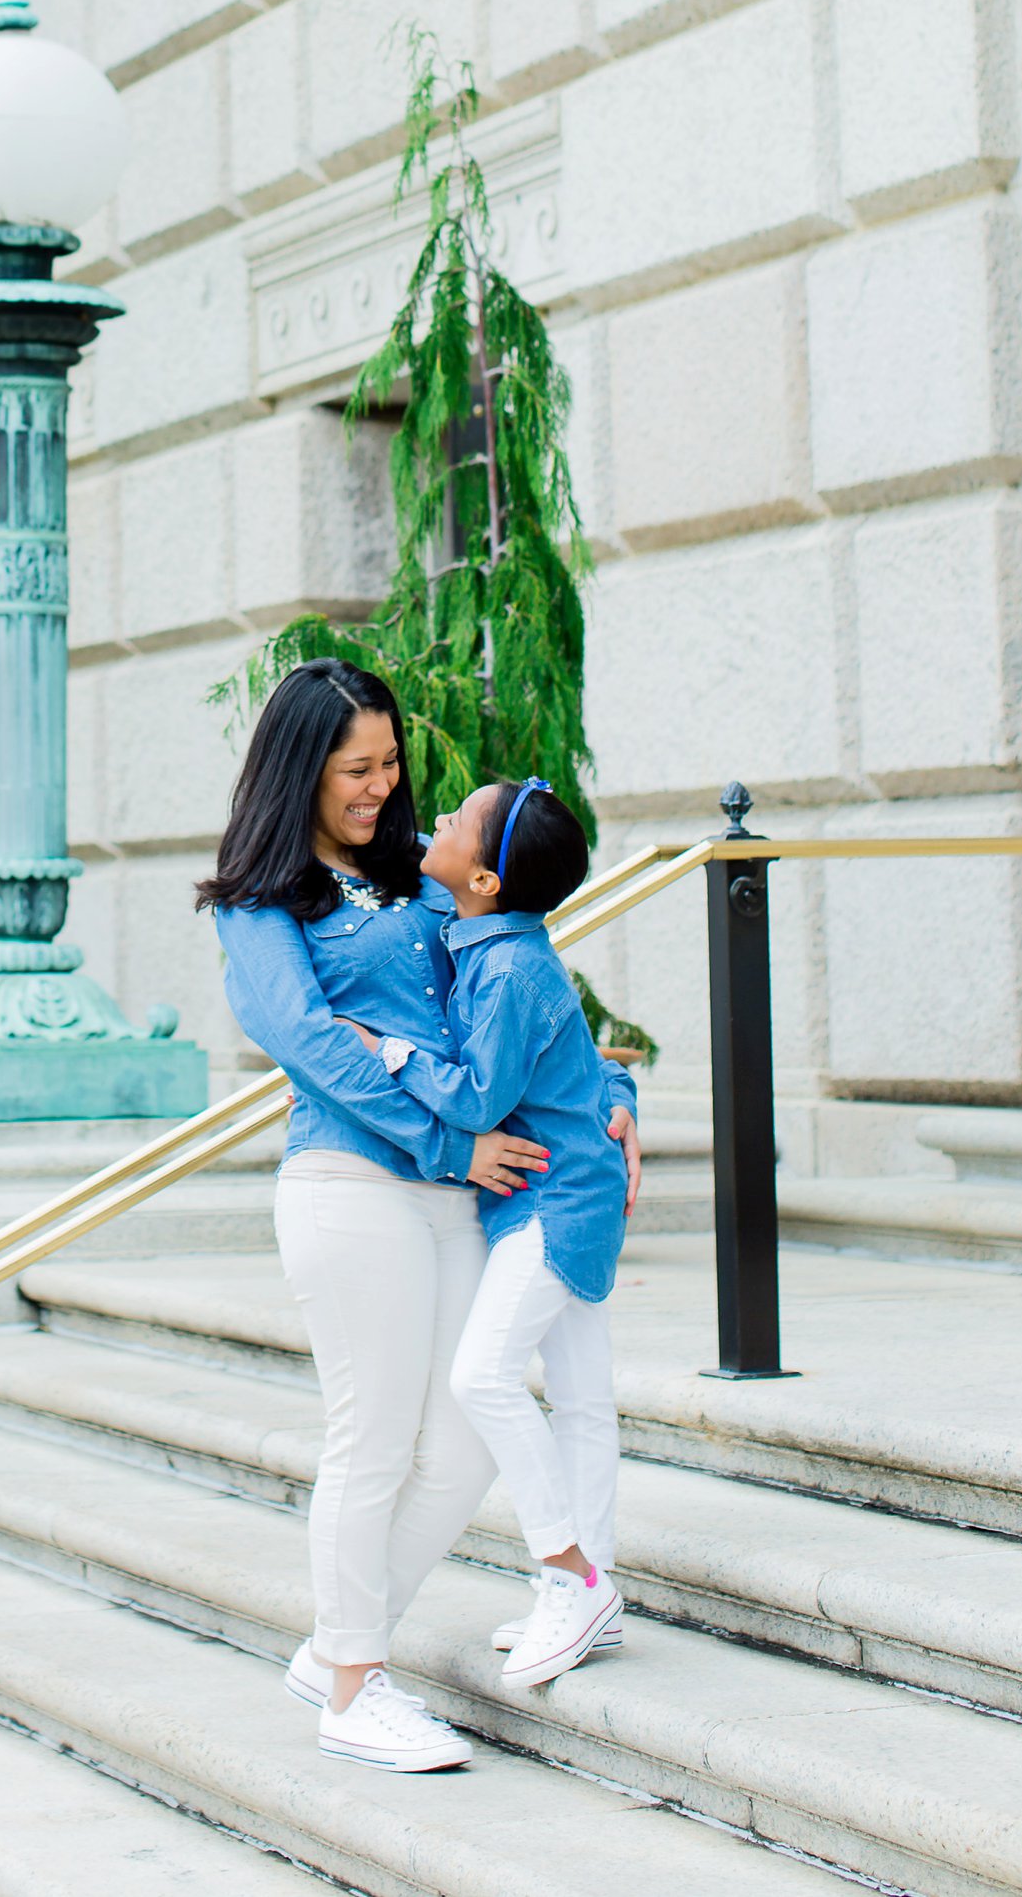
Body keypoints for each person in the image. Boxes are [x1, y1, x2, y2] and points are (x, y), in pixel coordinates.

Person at [200, 660, 640, 1773]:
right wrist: (455, 1142)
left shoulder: (425, 877)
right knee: (373, 1438)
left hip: (461, 1196)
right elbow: (314, 1049)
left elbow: (527, 987)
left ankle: (338, 1650)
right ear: (300, 770)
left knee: (459, 1444)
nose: (378, 786)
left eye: (388, 764)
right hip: (352, 1190)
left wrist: (611, 1099)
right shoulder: (263, 902)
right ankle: (355, 1688)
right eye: (354, 768)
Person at [339, 777, 635, 1689]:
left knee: (481, 1375)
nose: (438, 821)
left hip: (553, 1201)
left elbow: (477, 1099)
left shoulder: (507, 966)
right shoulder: (497, 942)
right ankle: (600, 1592)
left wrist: (388, 1049)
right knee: (581, 1396)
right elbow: (577, 1065)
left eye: (460, 821)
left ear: (487, 878)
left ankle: (569, 1574)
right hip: (559, 1190)